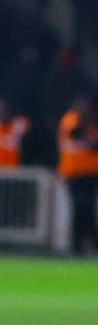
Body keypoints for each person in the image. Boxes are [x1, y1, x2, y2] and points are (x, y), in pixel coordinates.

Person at [61, 91, 98, 251]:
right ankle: (78, 244)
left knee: (88, 208)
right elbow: (76, 135)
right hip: (75, 172)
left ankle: (88, 242)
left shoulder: (90, 122)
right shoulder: (71, 119)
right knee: (80, 207)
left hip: (91, 172)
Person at [0, 96, 29, 167]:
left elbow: (24, 123)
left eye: (4, 108)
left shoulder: (18, 125)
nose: (1, 110)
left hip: (11, 170)